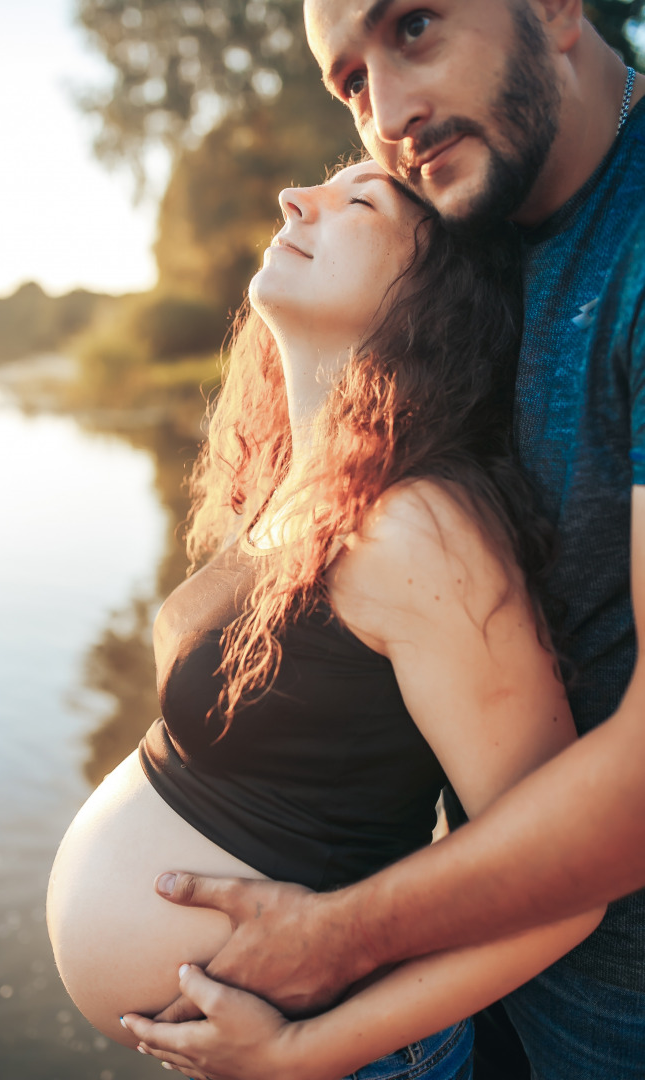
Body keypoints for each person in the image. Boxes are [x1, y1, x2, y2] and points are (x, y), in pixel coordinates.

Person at [123, 3, 645, 1079]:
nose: (390, 115)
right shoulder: (481, 211)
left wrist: (331, 955)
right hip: (488, 986)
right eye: (351, 82)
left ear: (552, 7)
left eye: (412, 26)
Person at [48, 159, 602, 1080]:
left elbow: (561, 883)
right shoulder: (288, 488)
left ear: (434, 294)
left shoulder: (416, 526)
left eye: (358, 202)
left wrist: (303, 1051)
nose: (292, 199)